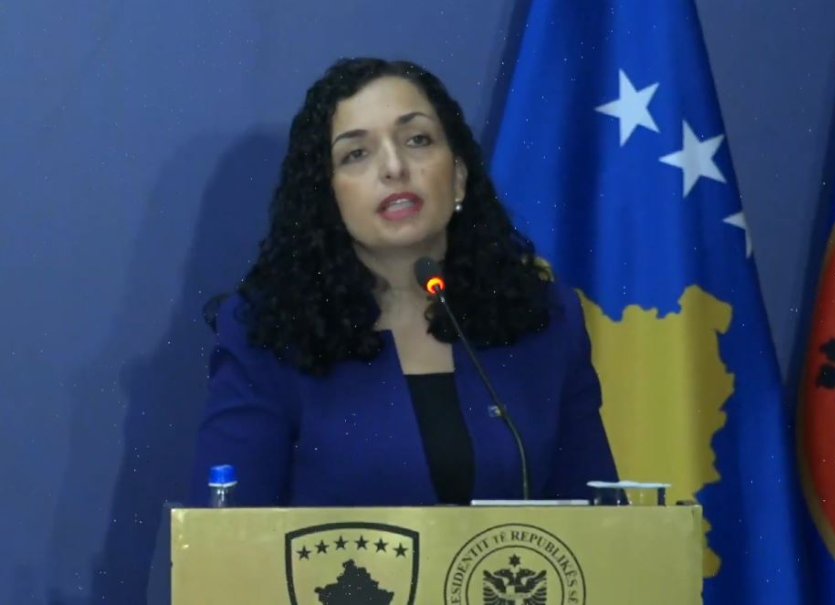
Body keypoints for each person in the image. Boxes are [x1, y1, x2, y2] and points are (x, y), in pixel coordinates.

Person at [189, 57, 618, 507]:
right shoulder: (269, 335)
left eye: (417, 140)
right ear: (327, 195)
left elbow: (601, 519)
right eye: (356, 154)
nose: (394, 167)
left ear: (458, 178)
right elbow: (225, 530)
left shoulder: (544, 321)